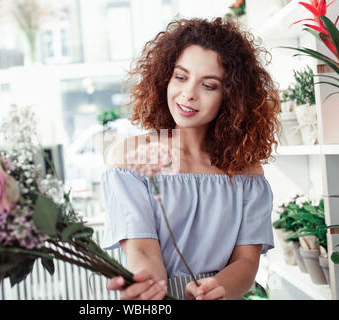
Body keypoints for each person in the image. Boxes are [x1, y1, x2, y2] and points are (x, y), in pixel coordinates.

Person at [101, 17, 280, 300]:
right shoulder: (133, 157)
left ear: (231, 97)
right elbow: (142, 250)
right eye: (181, 77)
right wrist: (150, 286)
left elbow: (246, 262)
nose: (188, 94)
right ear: (164, 78)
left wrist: (220, 287)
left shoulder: (246, 171)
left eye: (208, 85)